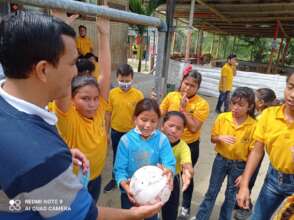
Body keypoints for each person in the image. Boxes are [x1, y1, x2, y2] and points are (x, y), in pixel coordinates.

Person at [0, 11, 163, 220]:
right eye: (71, 64)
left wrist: (64, 151)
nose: (76, 73)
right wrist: (133, 214)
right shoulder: (41, 155)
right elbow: (85, 215)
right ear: (43, 70)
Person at [51, 15, 111, 203]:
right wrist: (60, 31)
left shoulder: (100, 108)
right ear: (72, 98)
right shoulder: (69, 116)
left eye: (95, 98)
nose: (93, 103)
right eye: (85, 99)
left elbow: (106, 72)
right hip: (74, 181)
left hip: (96, 177)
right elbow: (64, 76)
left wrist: (104, 35)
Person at [237, 72, 294, 220]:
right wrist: (244, 184)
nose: (292, 94)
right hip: (274, 180)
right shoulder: (269, 115)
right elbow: (257, 152)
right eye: (291, 87)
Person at [195, 87, 256, 220]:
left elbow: (253, 153)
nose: (235, 107)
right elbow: (212, 138)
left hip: (239, 166)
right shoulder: (222, 118)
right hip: (220, 160)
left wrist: (245, 174)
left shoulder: (253, 125)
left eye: (241, 105)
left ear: (250, 107)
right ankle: (201, 217)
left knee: (231, 196)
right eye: (233, 103)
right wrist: (219, 138)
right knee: (212, 192)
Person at [114, 98, 176, 220]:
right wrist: (125, 185)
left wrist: (169, 171)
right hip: (130, 194)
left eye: (153, 121)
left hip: (153, 194)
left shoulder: (162, 140)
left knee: (151, 218)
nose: (148, 125)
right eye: (143, 119)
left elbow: (169, 162)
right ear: (135, 118)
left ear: (158, 121)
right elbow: (119, 170)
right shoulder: (126, 141)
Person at [160, 66, 210, 219]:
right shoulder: (171, 96)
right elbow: (159, 114)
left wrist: (183, 109)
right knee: (165, 172)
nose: (187, 88)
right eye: (186, 83)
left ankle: (185, 206)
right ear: (182, 82)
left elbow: (194, 127)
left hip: (188, 145)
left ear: (198, 87)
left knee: (186, 175)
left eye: (192, 85)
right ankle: (161, 197)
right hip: (168, 143)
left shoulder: (202, 104)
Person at [234, 87, 279, 220]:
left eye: (255, 97)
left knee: (247, 181)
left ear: (260, 102)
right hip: (254, 154)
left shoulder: (260, 119)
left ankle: (244, 208)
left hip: (254, 155)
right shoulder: (263, 116)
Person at [103, 64, 144, 192]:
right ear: (117, 79)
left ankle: (133, 180)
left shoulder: (138, 95)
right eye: (122, 81)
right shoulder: (112, 94)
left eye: (127, 81)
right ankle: (115, 179)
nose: (124, 83)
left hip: (132, 133)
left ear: (132, 79)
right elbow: (108, 114)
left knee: (133, 156)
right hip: (116, 131)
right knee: (117, 156)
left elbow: (141, 115)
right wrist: (106, 132)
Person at [161, 111, 193, 220]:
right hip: (152, 179)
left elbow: (187, 163)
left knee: (170, 212)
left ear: (183, 131)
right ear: (162, 126)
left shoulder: (183, 147)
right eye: (170, 125)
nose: (174, 130)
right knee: (148, 211)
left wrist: (187, 172)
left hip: (172, 181)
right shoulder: (153, 139)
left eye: (179, 128)